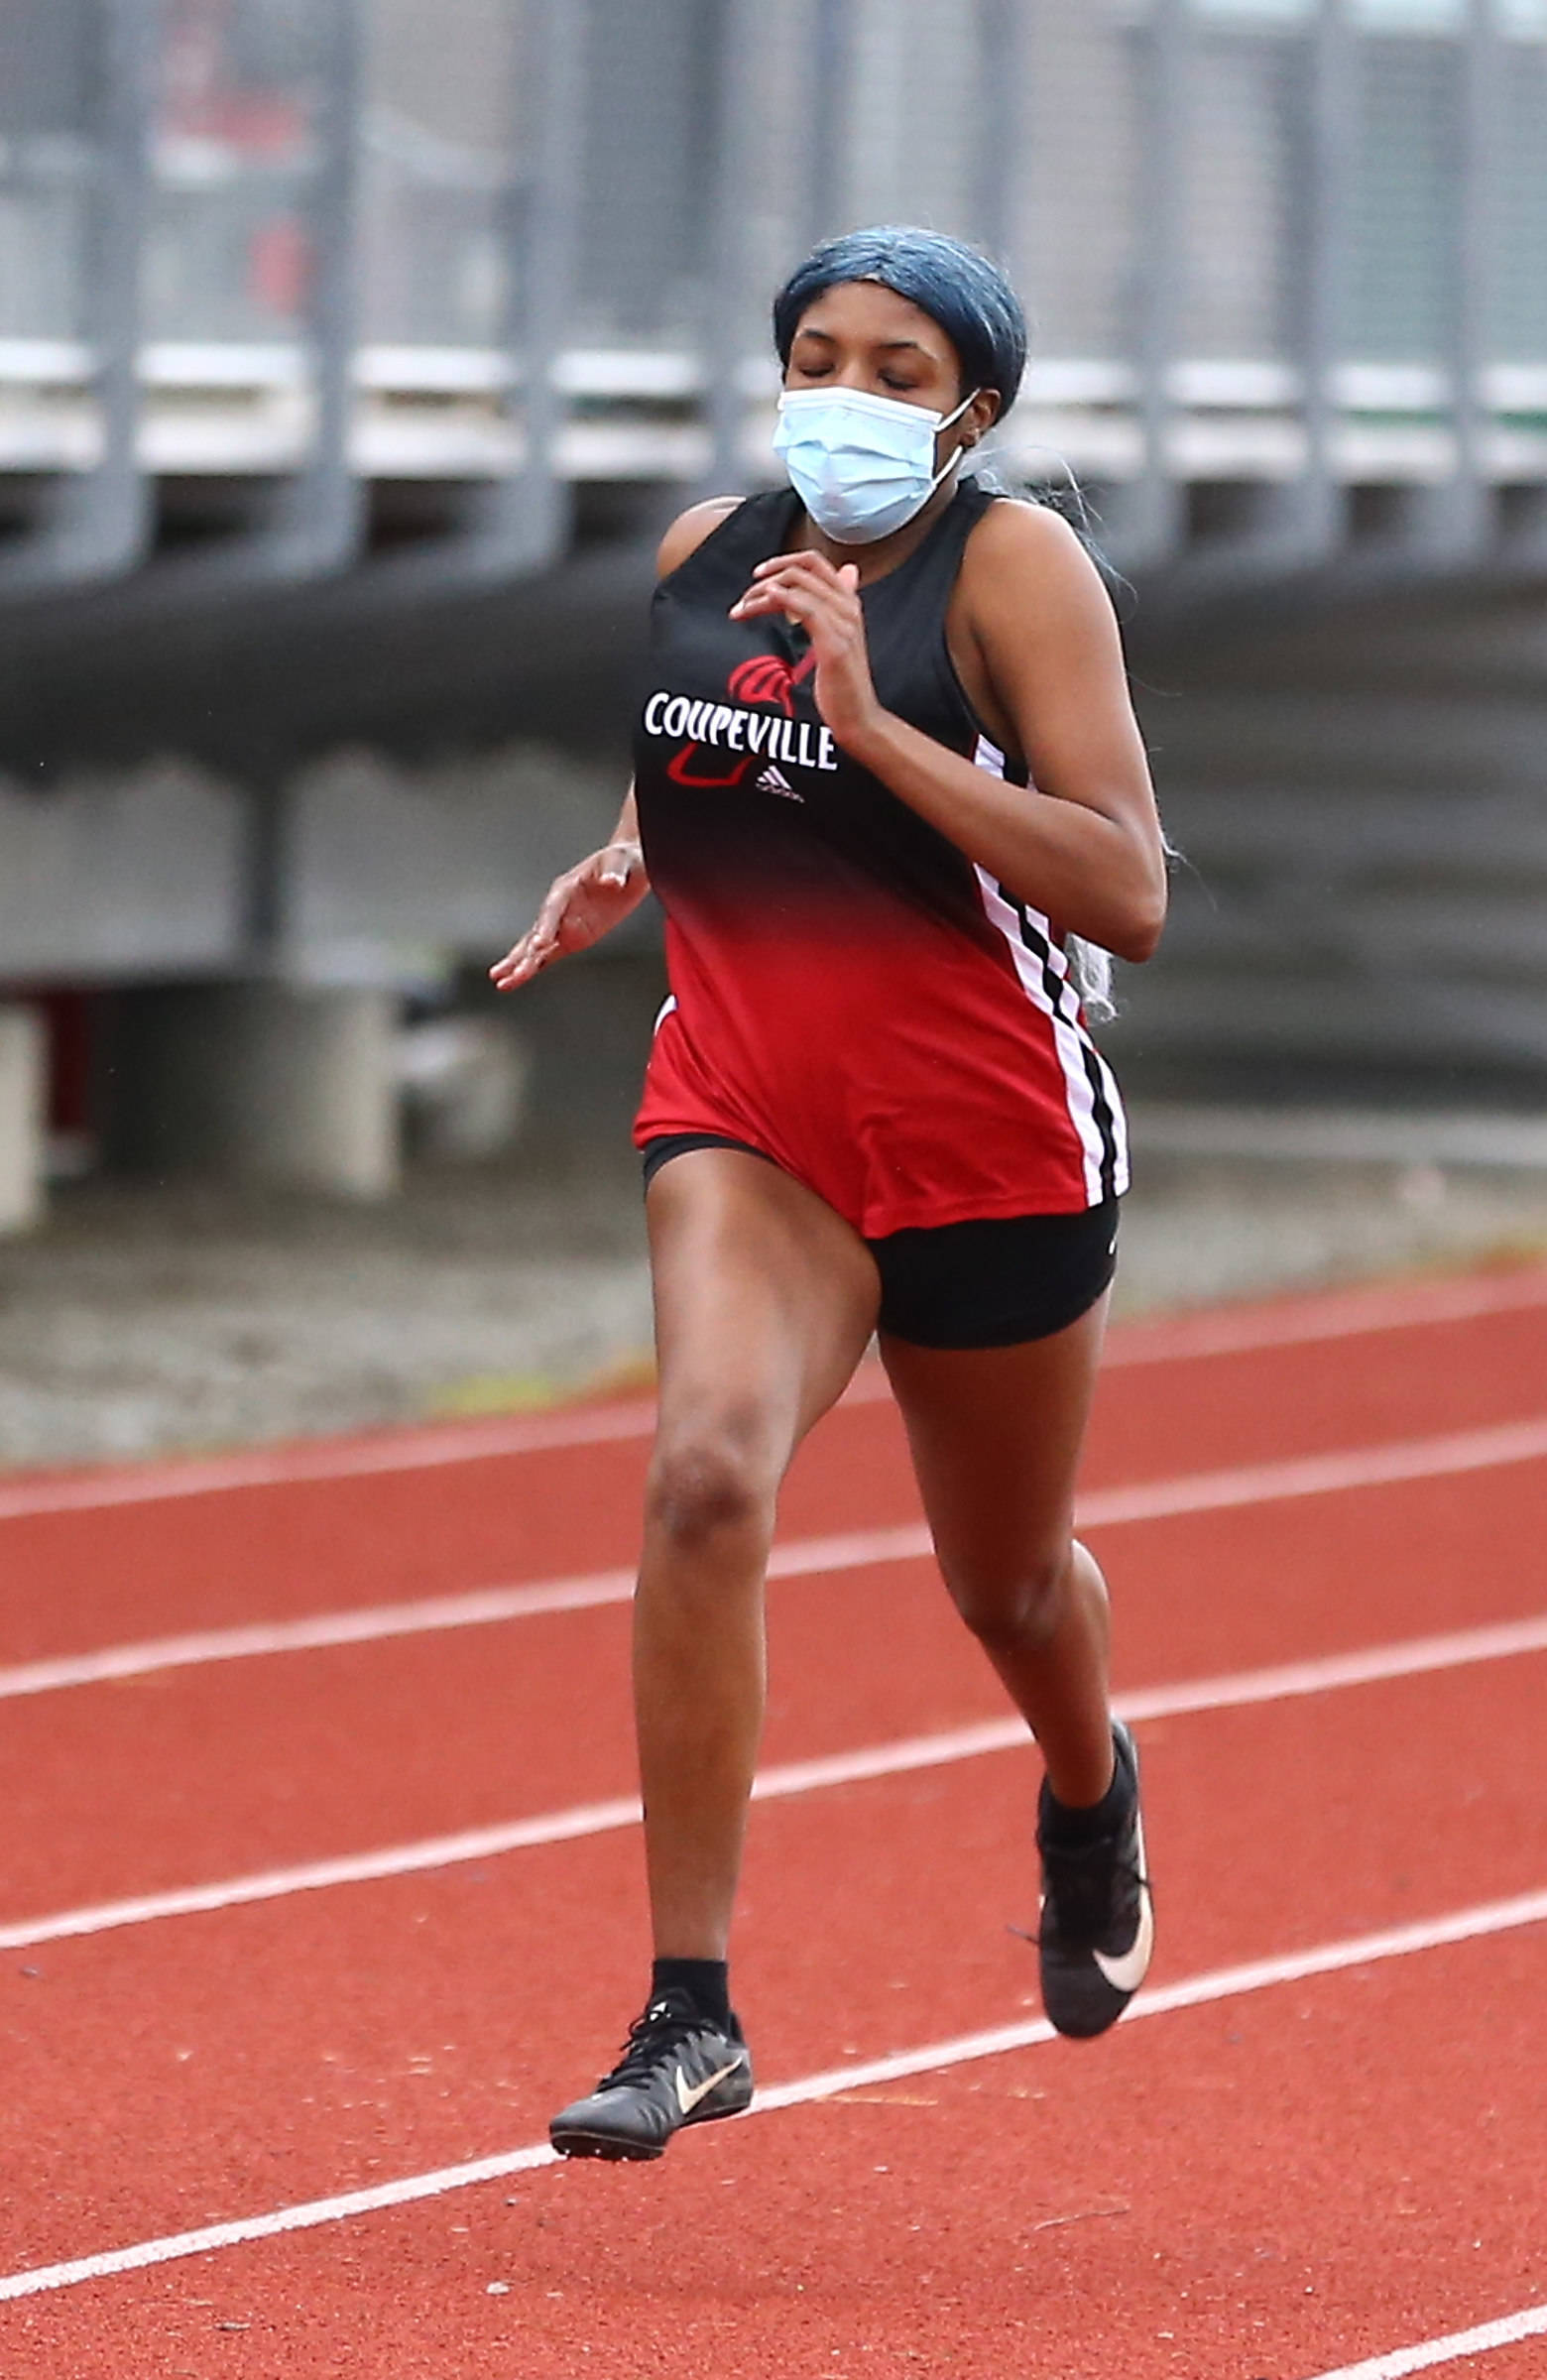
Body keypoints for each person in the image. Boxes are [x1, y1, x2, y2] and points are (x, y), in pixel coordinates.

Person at [492, 225, 1168, 2163]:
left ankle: (1083, 1784)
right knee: (703, 1472)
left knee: (1007, 1581)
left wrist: (878, 724)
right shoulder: (702, 552)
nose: (845, 396)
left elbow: (1123, 885)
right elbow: (710, 749)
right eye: (816, 352)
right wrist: (626, 848)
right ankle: (686, 2011)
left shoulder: (1012, 571)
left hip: (985, 1144)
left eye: (894, 369)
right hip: (748, 1108)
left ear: (967, 411)